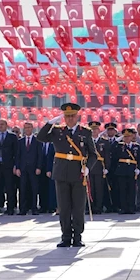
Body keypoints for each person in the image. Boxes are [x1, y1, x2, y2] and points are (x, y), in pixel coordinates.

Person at [37, 103, 98, 247]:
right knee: (64, 207)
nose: (70, 119)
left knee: (78, 207)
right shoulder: (57, 131)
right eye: (67, 116)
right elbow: (40, 137)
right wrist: (50, 123)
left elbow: (93, 155)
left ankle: (77, 236)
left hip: (79, 174)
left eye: (72, 116)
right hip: (61, 173)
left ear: (78, 116)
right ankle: (65, 236)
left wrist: (88, 168)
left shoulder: (85, 132)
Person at [110, 128, 140, 215]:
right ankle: (123, 208)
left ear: (132, 137)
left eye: (129, 136)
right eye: (125, 137)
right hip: (122, 171)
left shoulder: (136, 146)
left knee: (132, 190)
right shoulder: (119, 146)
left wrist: (139, 169)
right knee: (122, 190)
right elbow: (111, 147)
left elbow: (139, 159)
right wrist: (119, 139)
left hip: (132, 170)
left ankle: (131, 208)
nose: (127, 138)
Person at [15, 122, 43, 215]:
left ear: (32, 128)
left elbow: (40, 155)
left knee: (34, 188)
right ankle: (23, 209)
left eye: (29, 127)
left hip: (34, 168)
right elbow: (17, 156)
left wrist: (39, 167)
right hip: (23, 169)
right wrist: (17, 168)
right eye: (25, 127)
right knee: (22, 189)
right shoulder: (20, 141)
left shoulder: (37, 141)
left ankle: (34, 208)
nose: (27, 129)